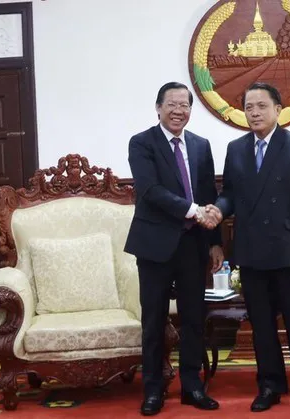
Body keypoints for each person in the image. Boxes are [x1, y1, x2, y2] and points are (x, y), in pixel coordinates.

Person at [202, 82, 290, 414]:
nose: (254, 112)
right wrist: (219, 208)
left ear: (278, 109)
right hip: (252, 251)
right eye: (249, 107)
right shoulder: (236, 148)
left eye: (261, 106)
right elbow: (230, 193)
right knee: (261, 326)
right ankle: (270, 385)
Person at [124, 82, 224, 416]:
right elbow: (150, 190)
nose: (178, 110)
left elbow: (209, 191)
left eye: (184, 105)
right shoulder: (142, 143)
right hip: (154, 246)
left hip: (193, 246)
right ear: (158, 107)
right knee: (153, 320)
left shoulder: (200, 145)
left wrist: (215, 242)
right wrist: (195, 211)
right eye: (172, 104)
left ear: (190, 111)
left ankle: (192, 387)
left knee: (194, 319)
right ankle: (153, 390)